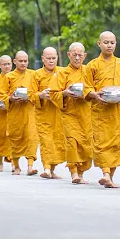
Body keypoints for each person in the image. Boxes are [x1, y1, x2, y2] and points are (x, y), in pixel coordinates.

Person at [84, 31, 120, 188]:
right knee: (101, 144)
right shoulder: (92, 65)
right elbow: (87, 88)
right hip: (101, 111)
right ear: (99, 44)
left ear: (116, 44)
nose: (109, 45)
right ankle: (106, 173)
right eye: (106, 42)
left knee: (118, 144)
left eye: (112, 42)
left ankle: (110, 176)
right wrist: (95, 94)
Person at [49, 42, 93, 184]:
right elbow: (53, 94)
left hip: (86, 114)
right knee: (72, 142)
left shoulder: (88, 71)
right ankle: (73, 172)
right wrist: (65, 93)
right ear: (69, 55)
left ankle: (81, 172)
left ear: (85, 56)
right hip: (69, 114)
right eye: (74, 55)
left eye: (80, 55)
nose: (77, 58)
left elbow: (93, 89)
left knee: (86, 145)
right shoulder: (61, 73)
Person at [0, 51, 38, 176]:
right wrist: (11, 99)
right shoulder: (9, 77)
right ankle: (17, 166)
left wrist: (30, 96)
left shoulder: (33, 74)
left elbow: (36, 91)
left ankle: (30, 166)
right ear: (15, 62)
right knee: (15, 138)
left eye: (25, 61)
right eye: (21, 61)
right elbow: (2, 94)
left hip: (29, 111)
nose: (23, 63)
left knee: (32, 138)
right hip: (15, 113)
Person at [32, 47, 66, 179]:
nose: (51, 61)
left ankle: (52, 170)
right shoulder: (37, 75)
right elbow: (31, 94)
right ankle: (46, 168)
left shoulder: (62, 72)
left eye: (54, 58)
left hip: (58, 113)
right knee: (46, 141)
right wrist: (40, 95)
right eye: (48, 58)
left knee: (57, 142)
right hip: (43, 113)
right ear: (43, 59)